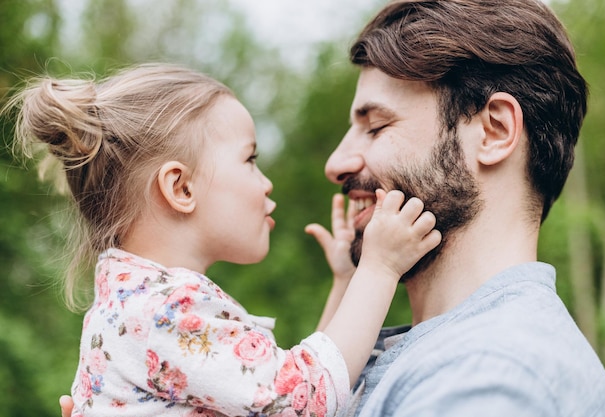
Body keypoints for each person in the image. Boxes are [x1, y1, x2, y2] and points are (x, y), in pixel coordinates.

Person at [6, 63, 441, 417]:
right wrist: (379, 268)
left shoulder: (136, 306)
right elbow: (306, 399)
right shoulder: (165, 311)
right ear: (181, 188)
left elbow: (294, 388)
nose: (267, 183)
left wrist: (346, 282)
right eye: (250, 159)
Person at [318, 0, 605, 416]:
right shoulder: (449, 359)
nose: (336, 163)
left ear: (494, 131)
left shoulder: (492, 378)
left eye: (376, 126)